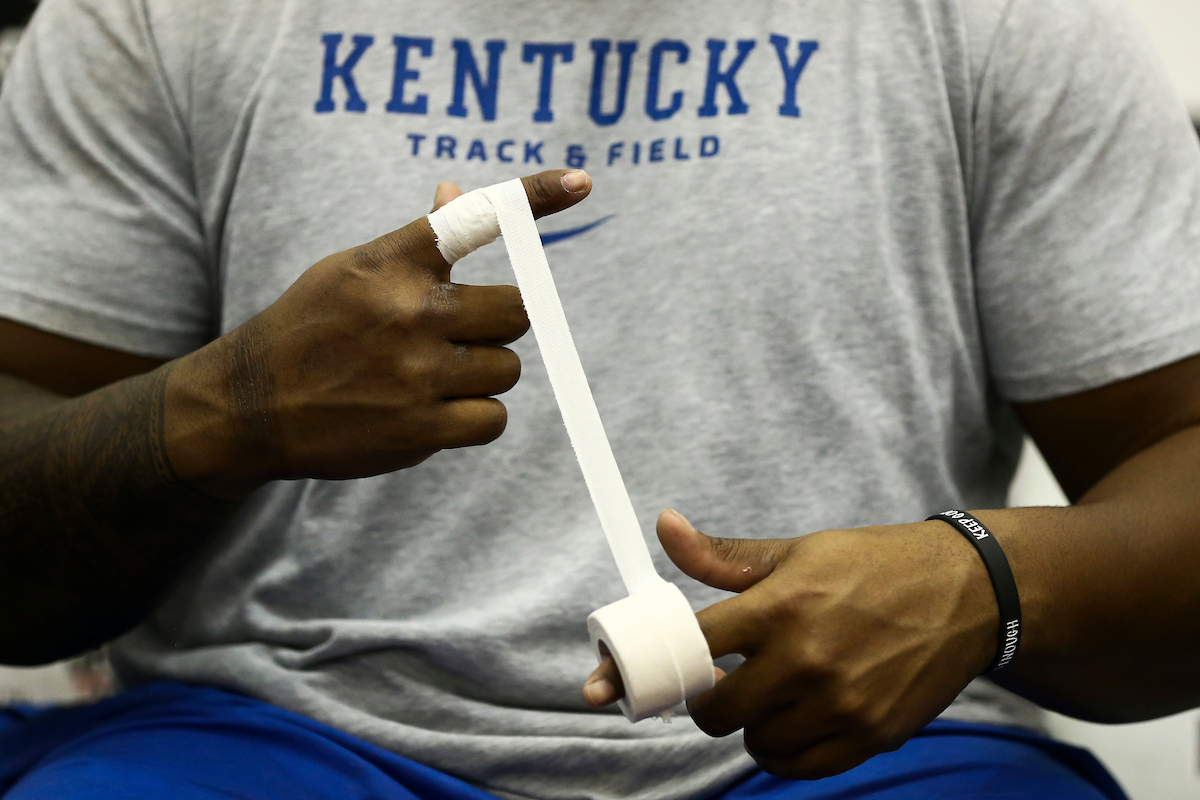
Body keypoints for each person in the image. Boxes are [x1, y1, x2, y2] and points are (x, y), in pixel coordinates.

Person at [0, 0, 1198, 797]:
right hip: (271, 739)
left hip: (868, 756)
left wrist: (986, 578)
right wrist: (221, 410)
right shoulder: (162, 14)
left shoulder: (987, 19)